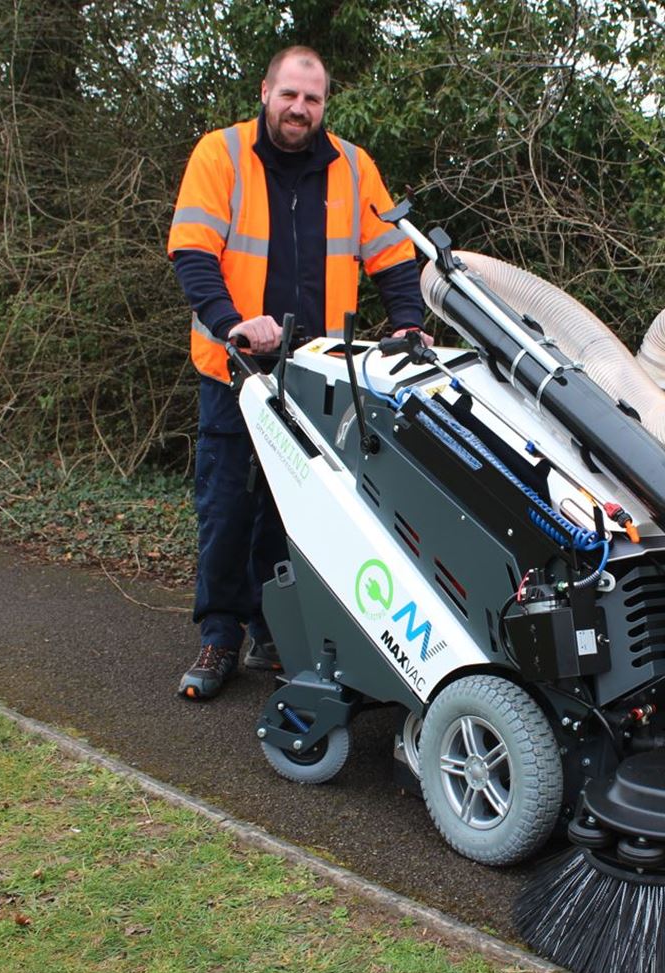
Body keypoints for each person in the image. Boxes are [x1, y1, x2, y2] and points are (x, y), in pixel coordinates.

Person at [167, 45, 427, 700]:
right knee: (227, 505)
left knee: (299, 513)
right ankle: (220, 633)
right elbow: (193, 253)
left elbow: (394, 255)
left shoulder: (351, 167)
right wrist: (232, 320)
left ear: (323, 106)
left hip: (316, 373)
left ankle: (277, 630)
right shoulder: (220, 155)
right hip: (235, 369)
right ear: (265, 91)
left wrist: (406, 320)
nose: (299, 109)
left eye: (312, 99)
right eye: (289, 95)